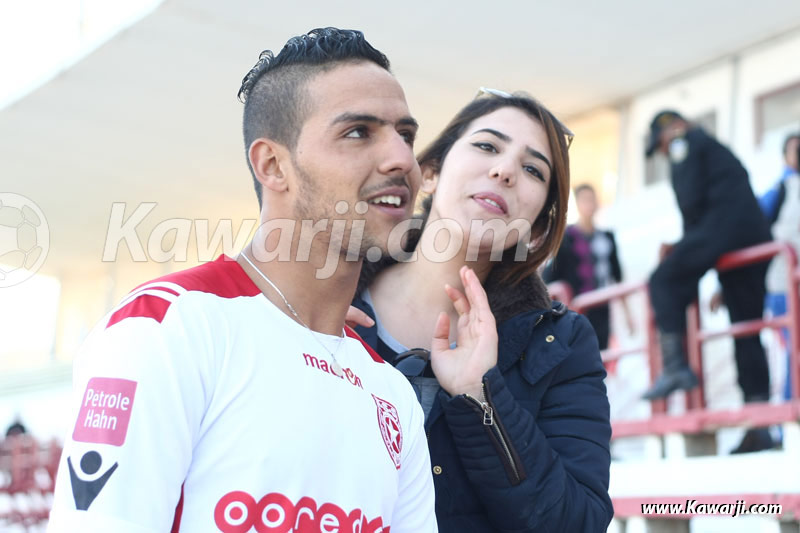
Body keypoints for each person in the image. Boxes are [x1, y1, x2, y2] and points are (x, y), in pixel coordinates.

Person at [48, 28, 437, 532]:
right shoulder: (169, 328)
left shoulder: (391, 391)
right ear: (273, 166)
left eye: (405, 134)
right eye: (359, 132)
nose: (402, 159)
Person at [352, 90, 613, 531]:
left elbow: (578, 523)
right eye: (488, 146)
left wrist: (480, 396)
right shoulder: (323, 304)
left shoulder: (562, 342)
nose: (504, 170)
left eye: (533, 169)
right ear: (430, 172)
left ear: (539, 228)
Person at [643, 110, 775, 453]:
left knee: (663, 280)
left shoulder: (683, 143)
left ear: (669, 131)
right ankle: (760, 425)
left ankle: (675, 368)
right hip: (751, 241)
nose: (663, 153)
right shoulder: (711, 146)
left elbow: (690, 202)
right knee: (747, 330)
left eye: (659, 146)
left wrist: (685, 247)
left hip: (724, 234)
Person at [543, 183, 633, 350]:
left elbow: (617, 276)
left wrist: (628, 315)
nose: (590, 204)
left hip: (602, 308)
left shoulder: (606, 238)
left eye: (592, 199)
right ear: (577, 204)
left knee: (601, 354)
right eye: (585, 200)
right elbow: (550, 278)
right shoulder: (566, 239)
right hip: (574, 310)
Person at [761, 132, 800, 401]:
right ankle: (789, 415)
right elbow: (753, 229)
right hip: (782, 287)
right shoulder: (780, 189)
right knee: (794, 349)